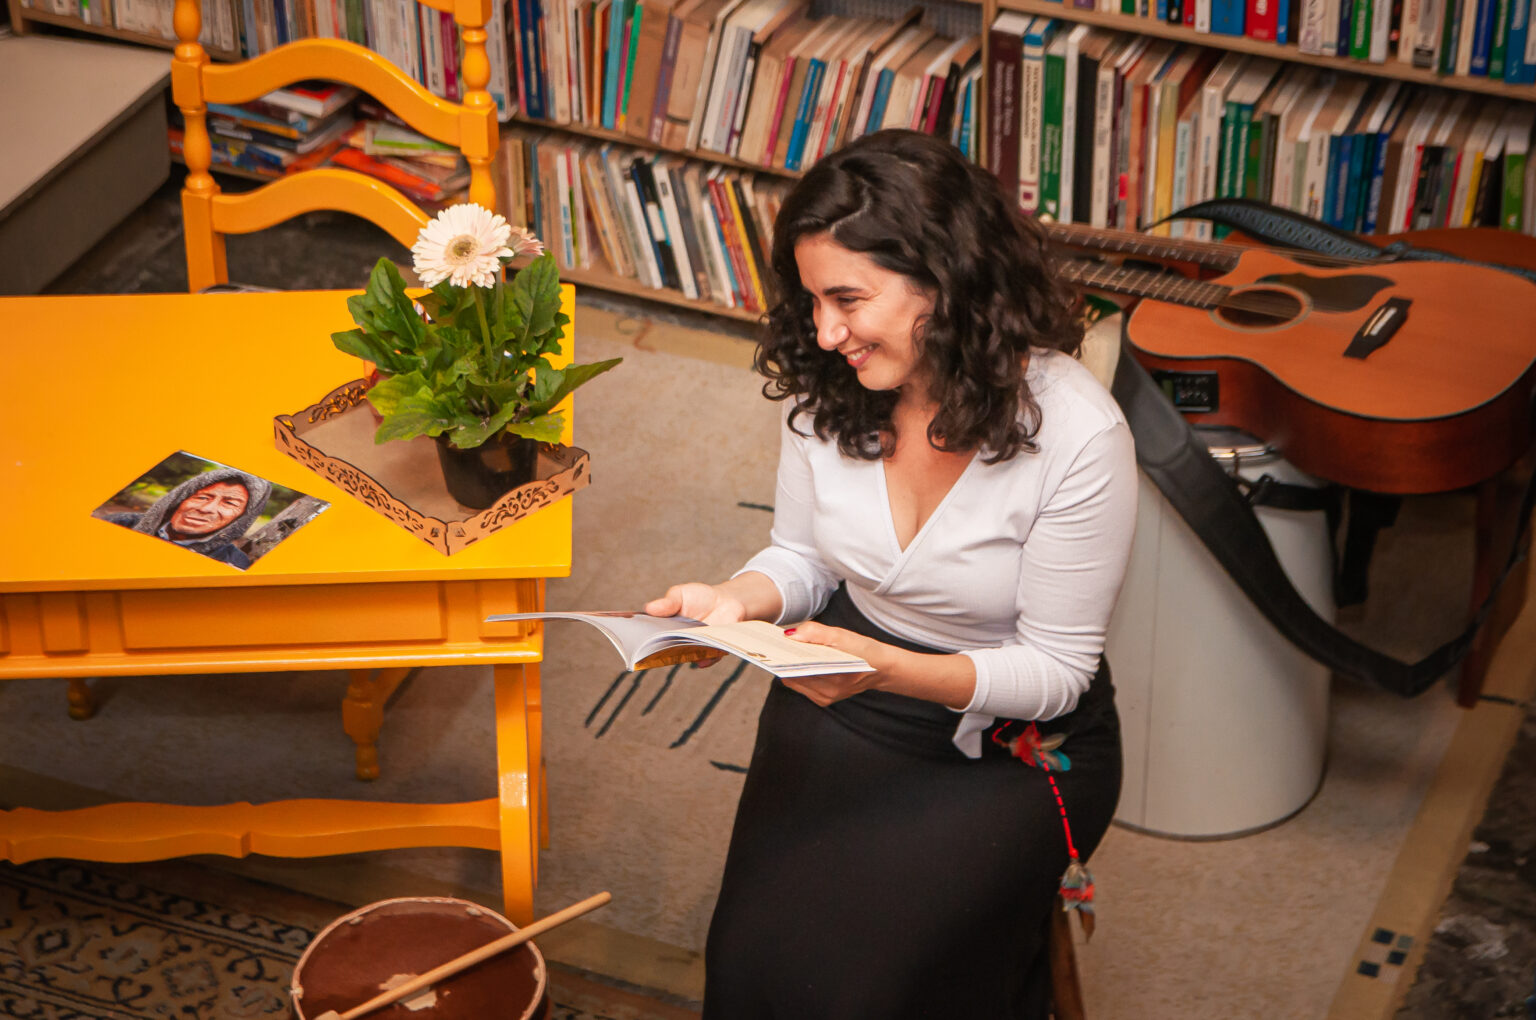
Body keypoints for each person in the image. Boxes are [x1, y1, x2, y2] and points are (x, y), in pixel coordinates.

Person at [644, 129, 1138, 1019]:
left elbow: (1058, 674)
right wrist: (730, 599)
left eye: (848, 299)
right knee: (753, 963)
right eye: (813, 301)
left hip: (1012, 743)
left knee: (874, 990)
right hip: (844, 693)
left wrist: (884, 669)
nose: (827, 333)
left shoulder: (1078, 434)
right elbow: (800, 557)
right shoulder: (829, 384)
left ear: (944, 279)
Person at [104, 467, 272, 569]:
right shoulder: (122, 522)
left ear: (241, 518)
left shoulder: (231, 561)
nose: (206, 509)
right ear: (179, 498)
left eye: (229, 503)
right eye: (202, 497)